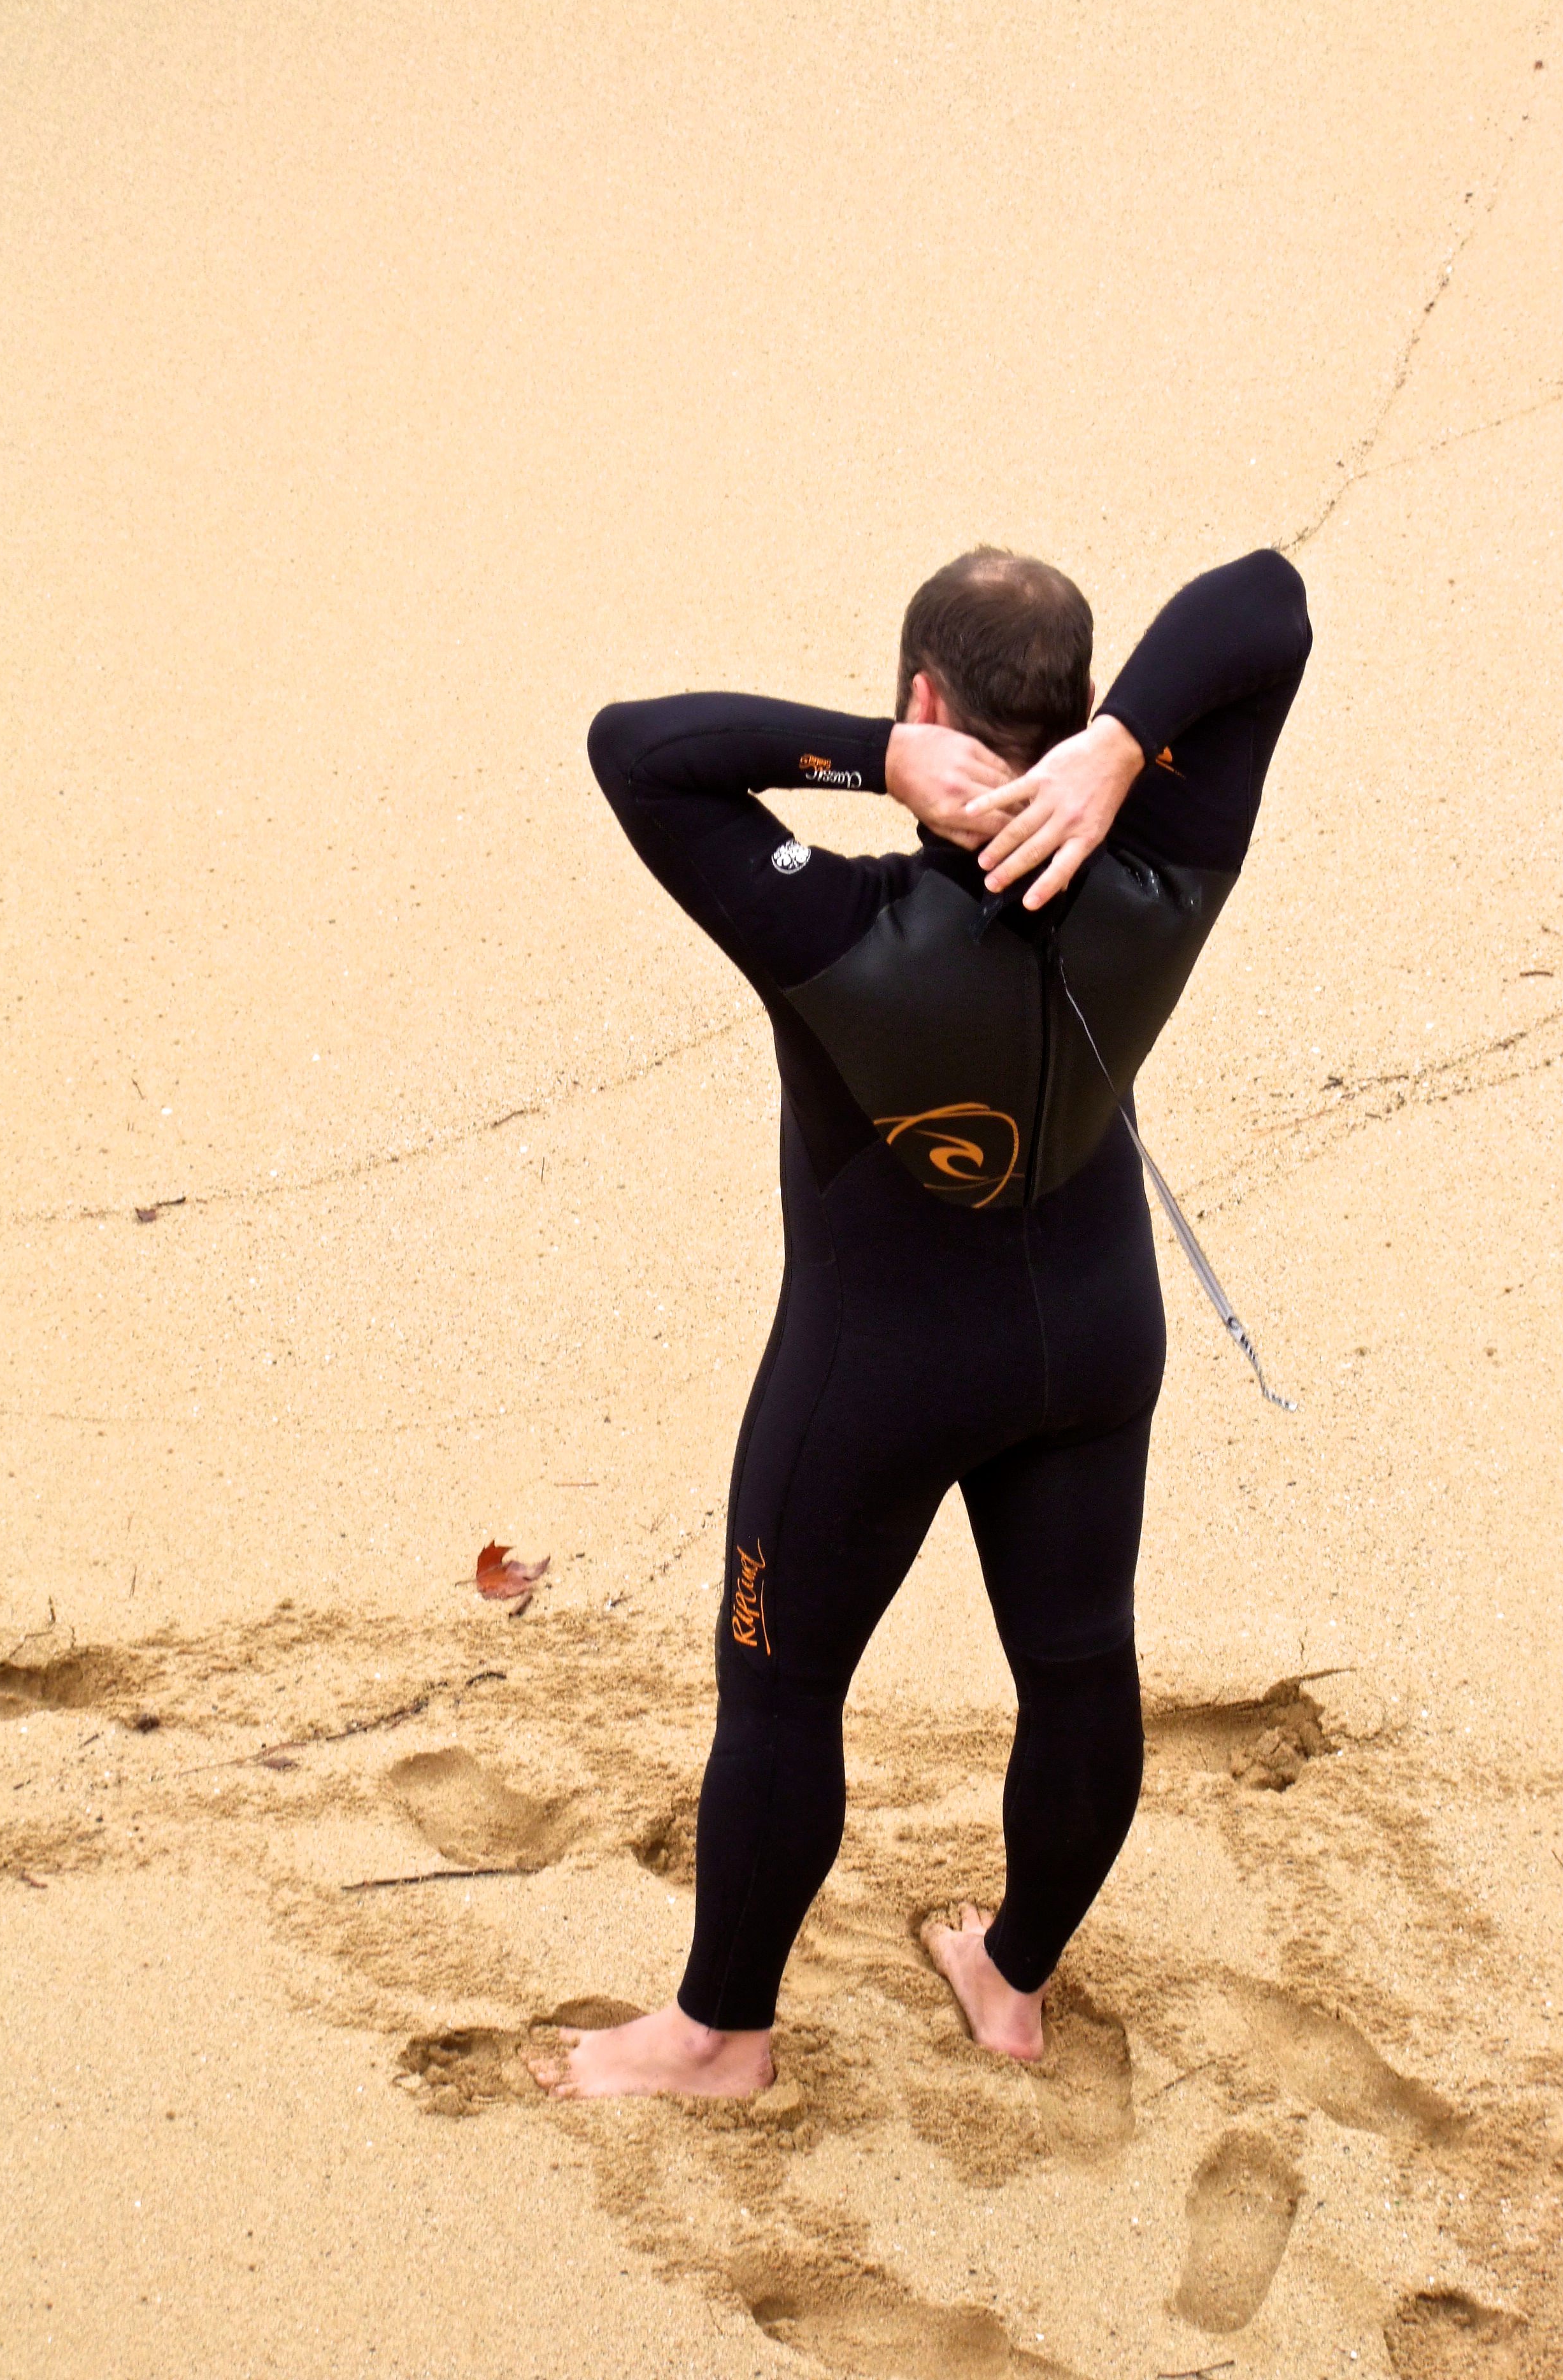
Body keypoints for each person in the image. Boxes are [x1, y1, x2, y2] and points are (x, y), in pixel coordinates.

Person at [527, 547, 1311, 2099]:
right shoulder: (1170, 865)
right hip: (1094, 1341)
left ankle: (718, 2037)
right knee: (1078, 1669)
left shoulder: (838, 928)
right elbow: (1267, 603)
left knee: (782, 1690)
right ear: (1080, 710)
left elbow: (639, 749)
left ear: (926, 702)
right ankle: (1011, 1982)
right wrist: (1124, 750)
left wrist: (868, 759)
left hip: (875, 1375)